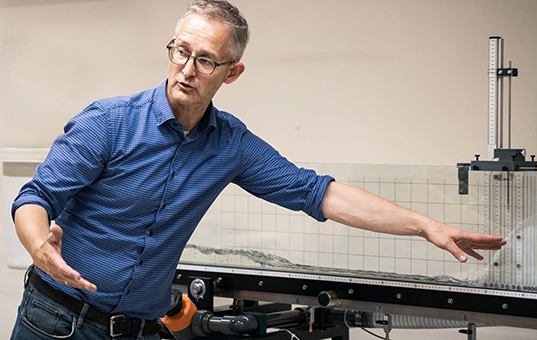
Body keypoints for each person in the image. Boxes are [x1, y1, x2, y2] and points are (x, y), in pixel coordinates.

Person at [9, 1, 506, 339]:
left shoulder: (231, 145)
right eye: (181, 52)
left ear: (232, 72)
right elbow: (37, 196)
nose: (186, 69)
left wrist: (426, 226)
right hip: (56, 318)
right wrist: (38, 246)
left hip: (140, 327)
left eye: (205, 60)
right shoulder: (110, 122)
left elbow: (319, 194)